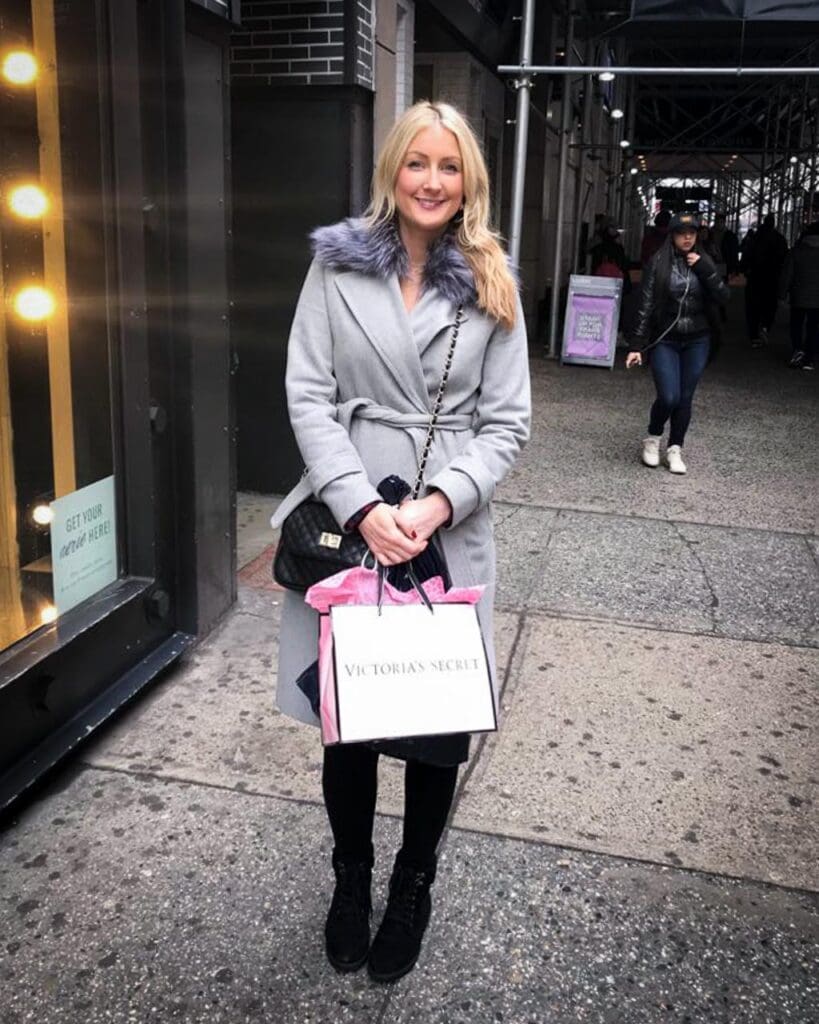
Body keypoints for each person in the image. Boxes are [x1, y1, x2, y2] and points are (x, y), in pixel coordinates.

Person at [272, 101, 530, 983]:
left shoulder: (492, 277)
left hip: (443, 528)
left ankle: (412, 883)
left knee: (431, 725)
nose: (430, 181)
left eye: (448, 167)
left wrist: (437, 503)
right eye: (416, 163)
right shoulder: (334, 266)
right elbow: (306, 391)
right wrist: (356, 504)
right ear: (392, 170)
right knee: (347, 724)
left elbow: (507, 425)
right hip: (353, 522)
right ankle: (351, 880)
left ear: (469, 182)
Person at [626, 212, 728, 474]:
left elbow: (723, 296)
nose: (687, 238)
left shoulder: (706, 261)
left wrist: (705, 270)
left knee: (685, 397)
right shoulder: (658, 262)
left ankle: (675, 449)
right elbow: (645, 305)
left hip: (698, 339)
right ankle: (653, 437)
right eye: (682, 233)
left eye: (692, 233)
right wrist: (637, 344)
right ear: (672, 236)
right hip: (666, 339)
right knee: (668, 396)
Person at [742, 213, 788, 347]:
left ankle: (754, 336)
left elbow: (746, 256)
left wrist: (744, 269)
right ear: (773, 223)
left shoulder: (754, 238)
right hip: (772, 278)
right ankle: (765, 326)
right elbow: (784, 259)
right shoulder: (779, 239)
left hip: (755, 278)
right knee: (770, 306)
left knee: (752, 308)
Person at [779, 220, 819, 370]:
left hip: (799, 295)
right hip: (817, 299)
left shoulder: (797, 251)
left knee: (796, 324)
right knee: (813, 327)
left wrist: (782, 294)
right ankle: (809, 358)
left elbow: (787, 274)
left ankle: (797, 350)